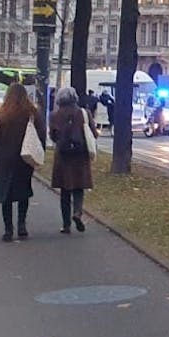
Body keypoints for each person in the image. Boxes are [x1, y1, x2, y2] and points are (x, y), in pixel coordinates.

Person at [0, 82, 45, 242]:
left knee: (5, 194)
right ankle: (22, 225)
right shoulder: (32, 113)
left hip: (5, 159)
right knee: (23, 191)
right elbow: (40, 135)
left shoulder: (2, 114)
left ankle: (8, 229)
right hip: (24, 158)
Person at [48, 86, 97, 235]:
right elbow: (93, 133)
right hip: (80, 155)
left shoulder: (54, 115)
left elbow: (53, 136)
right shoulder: (84, 113)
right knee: (79, 188)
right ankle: (77, 212)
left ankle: (66, 224)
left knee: (65, 191)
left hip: (63, 156)